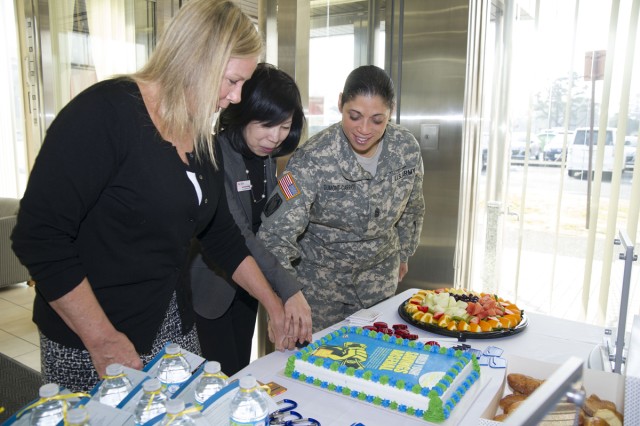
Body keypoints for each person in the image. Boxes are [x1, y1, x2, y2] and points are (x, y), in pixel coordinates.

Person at [11, 0, 304, 393]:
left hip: (171, 325)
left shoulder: (201, 136)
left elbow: (222, 237)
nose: (236, 98)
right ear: (195, 60)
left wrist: (272, 302)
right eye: (232, 81)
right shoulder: (105, 113)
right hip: (94, 334)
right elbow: (39, 236)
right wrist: (101, 338)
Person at [258, 65, 425, 331]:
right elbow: (275, 236)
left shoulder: (405, 149)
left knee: (375, 363)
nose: (364, 129)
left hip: (379, 284)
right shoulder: (313, 158)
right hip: (319, 290)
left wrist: (404, 254)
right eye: (355, 116)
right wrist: (285, 295)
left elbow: (413, 208)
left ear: (391, 112)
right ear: (340, 103)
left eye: (377, 120)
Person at [188, 63, 311, 375]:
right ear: (243, 113)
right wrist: (288, 289)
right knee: (217, 378)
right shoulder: (213, 154)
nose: (274, 137)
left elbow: (267, 222)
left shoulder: (266, 158)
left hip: (247, 289)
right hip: (210, 292)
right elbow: (239, 233)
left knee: (241, 369)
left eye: (284, 127)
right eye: (266, 125)